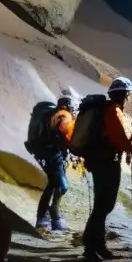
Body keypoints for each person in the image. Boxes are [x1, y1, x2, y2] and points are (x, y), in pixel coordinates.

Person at [81, 77, 132, 262]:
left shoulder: (104, 110)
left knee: (101, 204)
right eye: (127, 94)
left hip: (97, 161)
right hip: (107, 163)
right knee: (105, 204)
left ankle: (93, 243)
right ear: (122, 95)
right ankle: (92, 245)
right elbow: (118, 138)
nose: (127, 98)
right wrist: (131, 147)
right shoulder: (112, 111)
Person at [36, 93, 76, 231]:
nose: (72, 110)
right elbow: (62, 138)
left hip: (57, 156)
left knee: (53, 186)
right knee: (61, 186)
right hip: (53, 156)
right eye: (71, 107)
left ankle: (48, 217)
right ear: (64, 106)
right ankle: (51, 215)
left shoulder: (58, 116)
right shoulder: (61, 117)